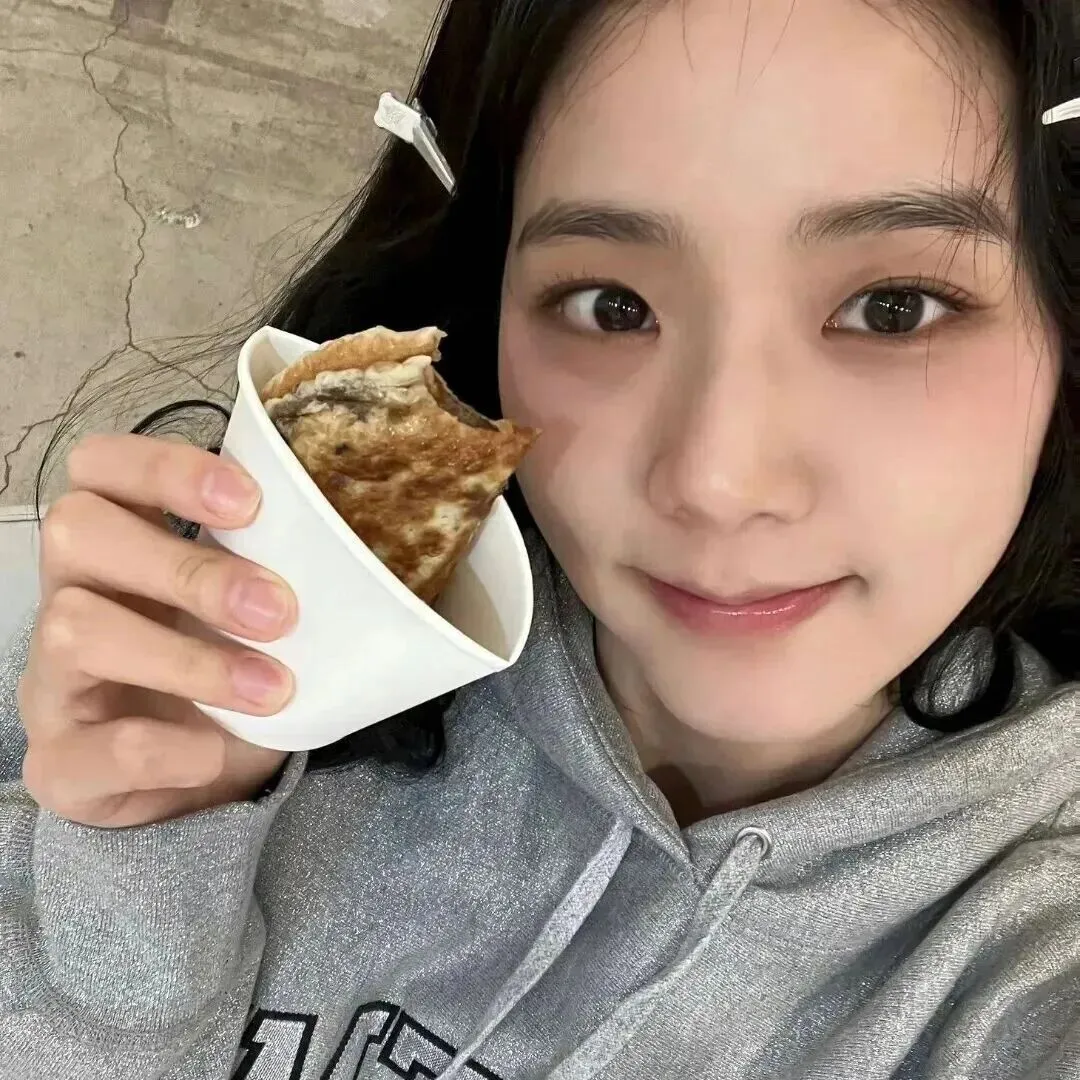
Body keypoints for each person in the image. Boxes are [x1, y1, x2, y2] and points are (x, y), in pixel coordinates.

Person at [1, 0, 1078, 1076]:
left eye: (895, 307)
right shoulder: (214, 642)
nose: (717, 480)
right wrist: (135, 895)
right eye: (612, 306)